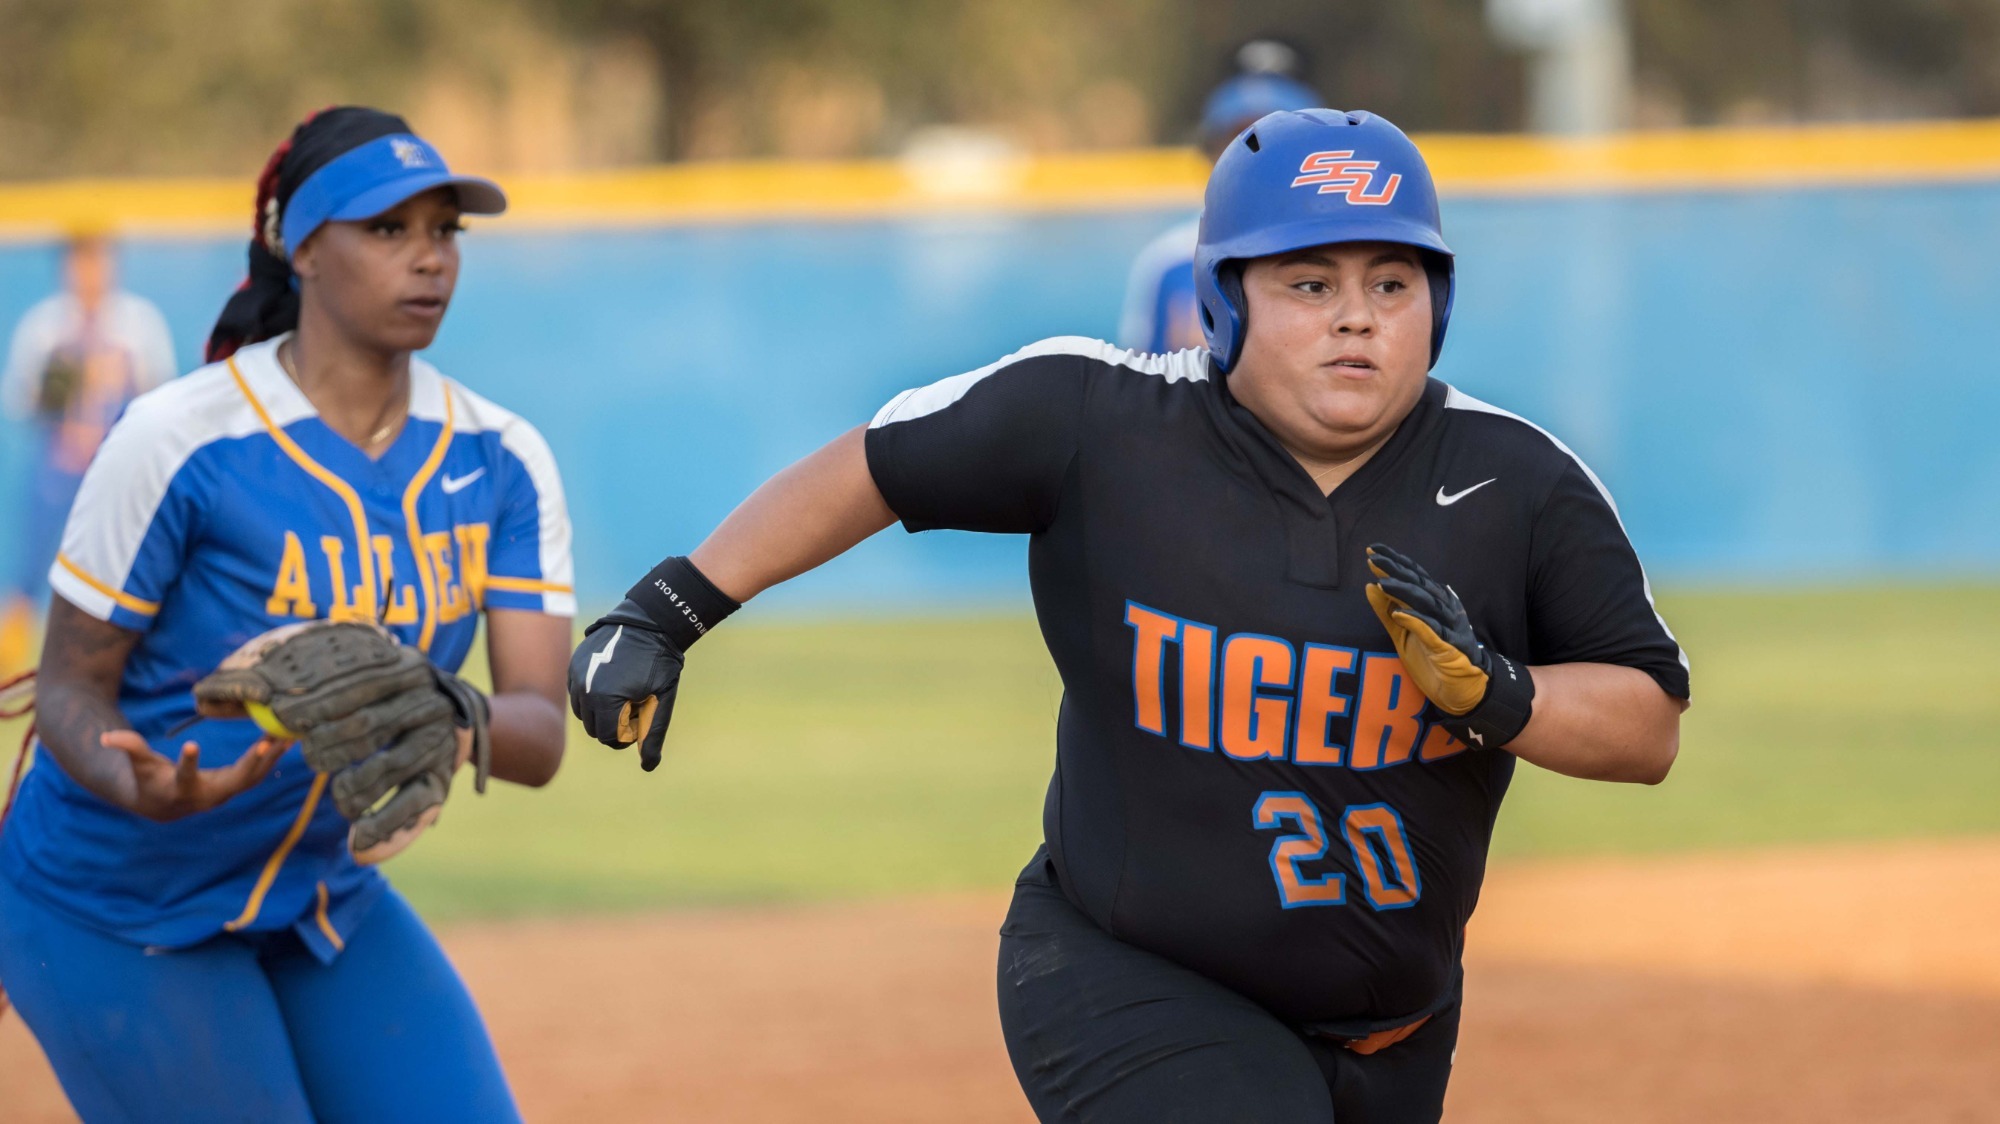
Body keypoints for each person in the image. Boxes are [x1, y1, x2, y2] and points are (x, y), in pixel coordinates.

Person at [571, 108, 1689, 1122]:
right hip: (1122, 976)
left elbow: (1646, 725)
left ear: (1434, 305)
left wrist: (1505, 695)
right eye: (1309, 283)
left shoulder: (1518, 480)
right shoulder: (1098, 418)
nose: (1356, 319)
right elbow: (872, 467)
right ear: (1221, 298)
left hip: (1398, 1031)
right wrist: (665, 610)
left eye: (1390, 285)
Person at [0, 107, 575, 1123]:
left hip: (318, 898)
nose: (428, 258)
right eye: (387, 229)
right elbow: (66, 690)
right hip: (116, 899)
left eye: (444, 230)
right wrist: (133, 780)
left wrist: (449, 708)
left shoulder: (500, 458)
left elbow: (537, 728)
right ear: (302, 248)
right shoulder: (181, 439)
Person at [0, 232, 177, 674]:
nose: (90, 274)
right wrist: (58, 392)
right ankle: (11, 660)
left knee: (127, 560)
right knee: (31, 565)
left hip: (115, 465)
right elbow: (19, 399)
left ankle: (134, 652)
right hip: (57, 469)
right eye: (81, 263)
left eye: (97, 262)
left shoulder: (137, 323)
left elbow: (160, 396)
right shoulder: (46, 325)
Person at [1118, 40, 1322, 354]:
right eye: (1239, 140)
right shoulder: (1167, 265)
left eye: (1278, 140)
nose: (1256, 157)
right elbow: (1140, 390)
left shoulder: (1357, 253)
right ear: (1210, 152)